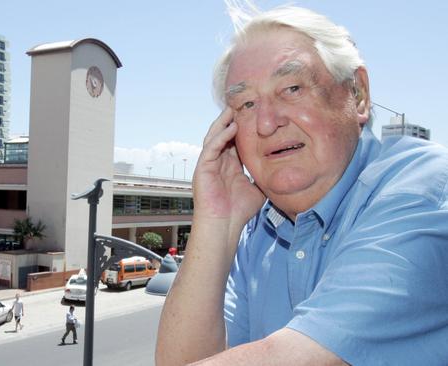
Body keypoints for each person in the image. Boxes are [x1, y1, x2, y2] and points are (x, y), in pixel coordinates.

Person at [156, 3, 448, 366]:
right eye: (246, 104)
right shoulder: (258, 233)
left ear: (357, 94)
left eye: (292, 88)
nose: (266, 123)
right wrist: (218, 223)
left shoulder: (422, 189)